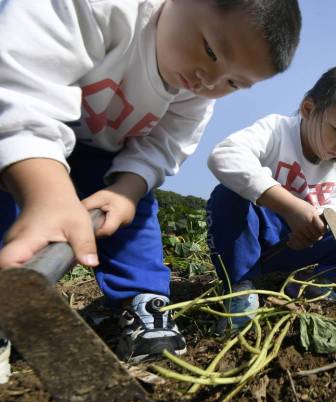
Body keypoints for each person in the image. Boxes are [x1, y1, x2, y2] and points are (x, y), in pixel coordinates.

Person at [0, 0, 302, 372]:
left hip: (104, 156)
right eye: (210, 50)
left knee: (135, 213)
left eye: (233, 83)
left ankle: (145, 302)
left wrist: (127, 189)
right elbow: (22, 86)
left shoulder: (196, 96)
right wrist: (46, 191)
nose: (208, 80)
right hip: (20, 138)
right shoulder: (105, 8)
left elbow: (160, 148)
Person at [207, 64, 336, 332]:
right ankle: (240, 290)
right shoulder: (277, 130)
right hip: (257, 242)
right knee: (227, 194)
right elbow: (224, 156)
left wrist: (319, 223)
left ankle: (314, 281)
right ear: (308, 109)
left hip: (299, 246)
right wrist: (290, 207)